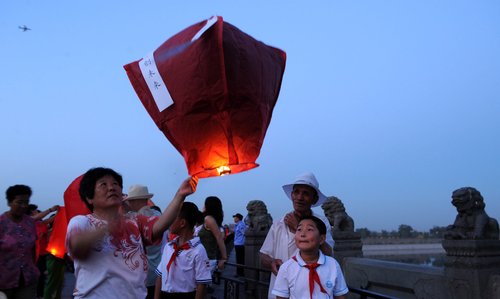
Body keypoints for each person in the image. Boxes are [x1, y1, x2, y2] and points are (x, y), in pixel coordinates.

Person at [65, 167, 197, 299]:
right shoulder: (81, 222)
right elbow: (77, 247)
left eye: (115, 184)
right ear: (89, 198)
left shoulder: (135, 221)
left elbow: (160, 225)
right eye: (103, 184)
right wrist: (107, 227)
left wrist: (180, 195)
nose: (111, 188)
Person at [260, 172, 334, 299]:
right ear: (292, 195)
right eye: (296, 192)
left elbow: (329, 254)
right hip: (280, 292)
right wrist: (272, 262)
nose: (299, 197)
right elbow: (263, 254)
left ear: (314, 199)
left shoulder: (322, 222)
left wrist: (297, 228)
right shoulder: (279, 223)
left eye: (305, 193)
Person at [272, 216, 348, 299]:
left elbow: (340, 296)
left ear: (322, 239)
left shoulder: (332, 265)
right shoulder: (286, 268)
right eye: (299, 229)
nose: (303, 234)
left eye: (309, 229)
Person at [154, 202, 212, 299]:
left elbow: (201, 284)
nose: (169, 221)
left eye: (173, 218)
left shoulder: (198, 250)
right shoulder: (168, 247)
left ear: (182, 223)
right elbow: (160, 276)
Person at [123, 184, 163, 299]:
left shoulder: (134, 219)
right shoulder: (158, 216)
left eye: (130, 201)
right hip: (156, 273)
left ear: (135, 201)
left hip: (139, 275)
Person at [0, 185, 39, 298]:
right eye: (19, 202)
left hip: (27, 279)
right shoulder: (1, 223)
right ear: (9, 202)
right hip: (4, 282)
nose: (24, 206)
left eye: (26, 202)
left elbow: (32, 249)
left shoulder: (30, 223)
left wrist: (33, 267)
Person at [198, 196, 228, 272]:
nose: (203, 206)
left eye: (205, 204)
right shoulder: (211, 219)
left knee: (201, 283)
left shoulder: (208, 219)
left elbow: (219, 238)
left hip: (206, 260)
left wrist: (224, 257)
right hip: (205, 259)